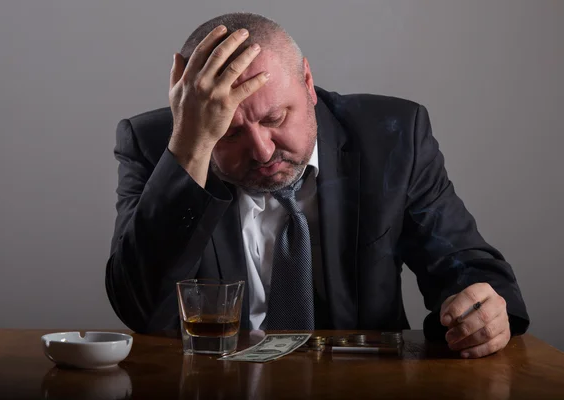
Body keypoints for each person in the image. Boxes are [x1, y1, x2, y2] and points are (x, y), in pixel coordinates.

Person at [105, 12, 529, 359]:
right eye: (228, 133)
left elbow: (464, 264)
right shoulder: (158, 147)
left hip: (363, 383)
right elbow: (143, 309)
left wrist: (482, 308)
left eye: (275, 119)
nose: (262, 149)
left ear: (308, 84)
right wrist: (191, 147)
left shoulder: (393, 136)